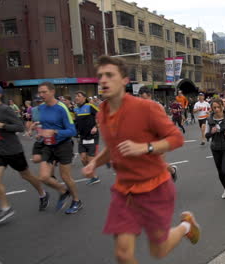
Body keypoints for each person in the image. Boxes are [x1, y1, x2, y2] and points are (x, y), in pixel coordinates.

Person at [82, 56, 200, 263]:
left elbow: (176, 138)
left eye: (109, 75)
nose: (103, 80)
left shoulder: (146, 108)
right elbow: (112, 148)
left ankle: (186, 226)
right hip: (124, 190)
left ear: (125, 80)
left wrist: (146, 147)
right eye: (100, 76)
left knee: (159, 250)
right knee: (123, 254)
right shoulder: (102, 113)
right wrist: (94, 163)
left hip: (155, 187)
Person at [0, 85, 48, 223]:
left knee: (26, 175)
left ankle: (43, 193)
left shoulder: (5, 109)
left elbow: (19, 127)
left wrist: (2, 126)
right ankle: (5, 208)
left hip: (13, 150)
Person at [37, 82, 81, 214]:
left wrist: (55, 132)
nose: (41, 95)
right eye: (40, 92)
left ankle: (76, 201)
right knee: (44, 177)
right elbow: (45, 126)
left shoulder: (62, 108)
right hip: (48, 145)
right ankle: (63, 191)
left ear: (52, 92)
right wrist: (40, 132)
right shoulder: (41, 108)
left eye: (44, 92)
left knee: (65, 177)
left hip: (63, 145)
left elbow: (72, 131)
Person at [138, 86, 179, 182]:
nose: (142, 100)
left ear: (150, 96)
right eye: (140, 98)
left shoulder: (158, 107)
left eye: (144, 98)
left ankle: (171, 171)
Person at [74, 91, 101, 185]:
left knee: (90, 159)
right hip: (82, 137)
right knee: (83, 159)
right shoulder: (76, 109)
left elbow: (101, 116)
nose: (76, 97)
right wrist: (76, 134)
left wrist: (96, 127)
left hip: (92, 136)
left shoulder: (90, 106)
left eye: (78, 96)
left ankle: (94, 177)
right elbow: (76, 123)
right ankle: (92, 174)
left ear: (84, 98)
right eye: (75, 96)